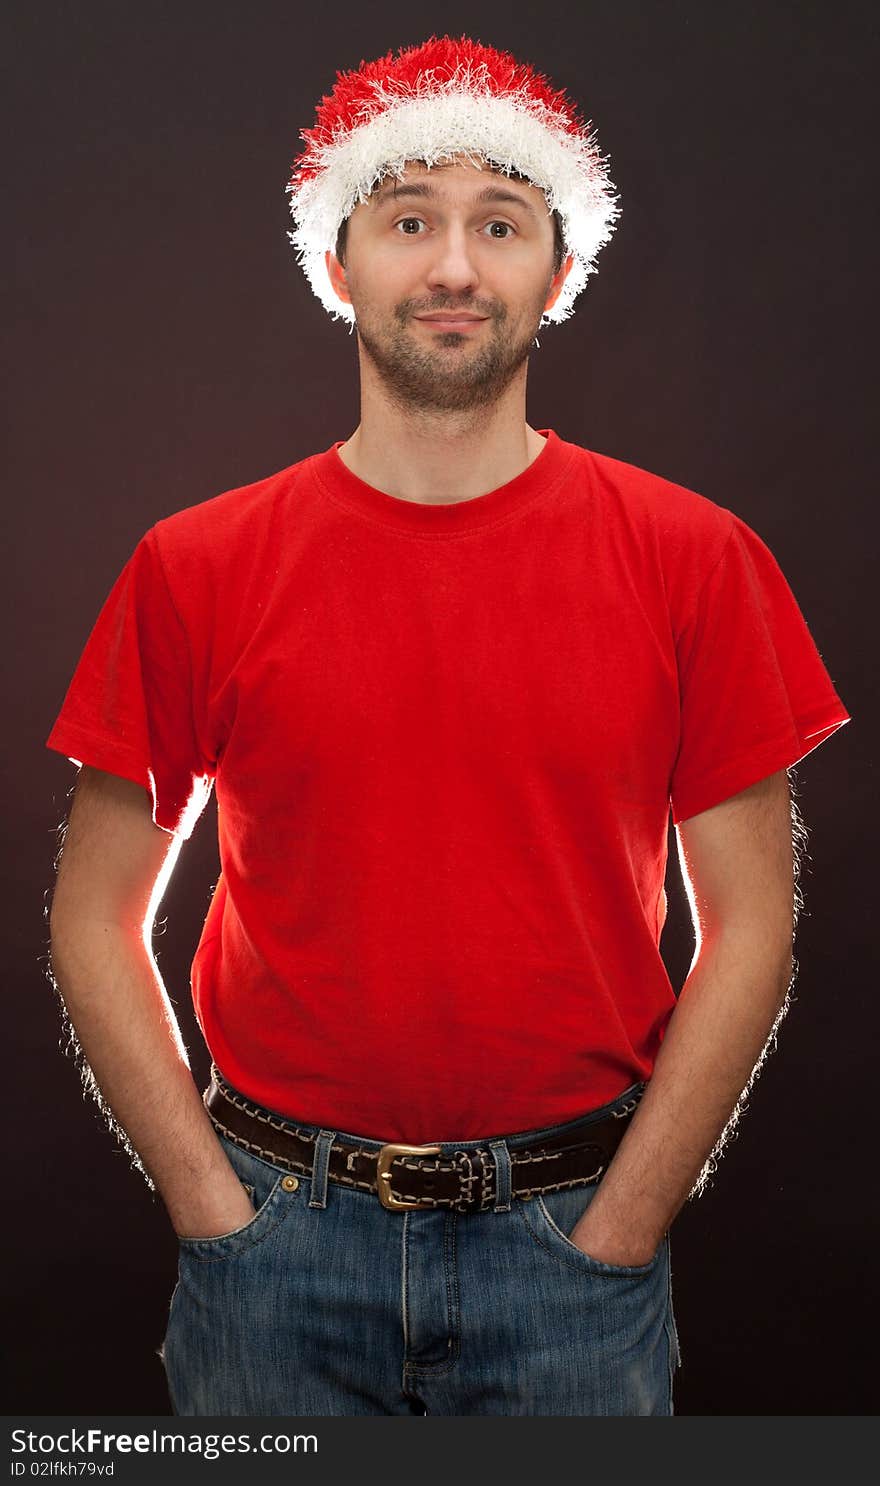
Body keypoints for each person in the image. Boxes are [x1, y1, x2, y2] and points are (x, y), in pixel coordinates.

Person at [46, 34, 852, 1417]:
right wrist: (209, 1209)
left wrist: (624, 1229)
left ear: (560, 269)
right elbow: (94, 913)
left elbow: (754, 925)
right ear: (339, 261)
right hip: (273, 1249)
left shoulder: (698, 557)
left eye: (500, 224)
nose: (456, 267)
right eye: (409, 219)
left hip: (572, 1257)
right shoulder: (196, 563)